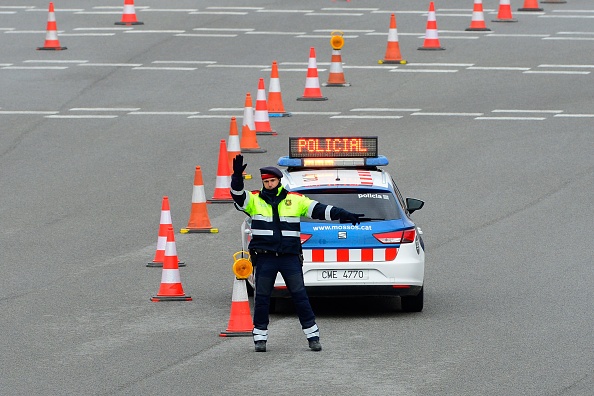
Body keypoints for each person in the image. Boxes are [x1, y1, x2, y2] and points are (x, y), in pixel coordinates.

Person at [230, 154, 363, 352]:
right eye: (266, 181)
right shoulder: (255, 200)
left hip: (289, 258)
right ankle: (260, 338)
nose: (269, 184)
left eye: (272, 181)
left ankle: (313, 337)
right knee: (262, 298)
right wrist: (237, 177)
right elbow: (238, 195)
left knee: (300, 297)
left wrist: (343, 214)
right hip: (265, 257)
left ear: (279, 181)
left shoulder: (295, 200)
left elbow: (319, 209)